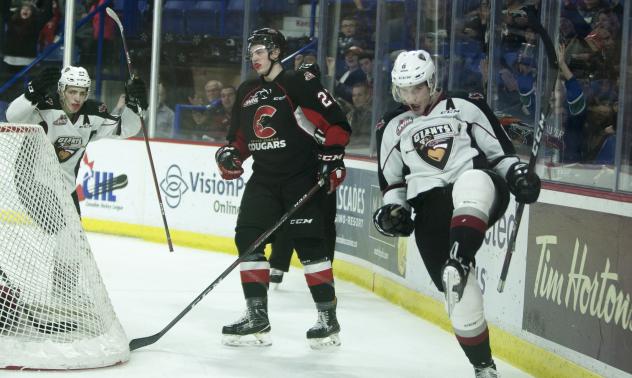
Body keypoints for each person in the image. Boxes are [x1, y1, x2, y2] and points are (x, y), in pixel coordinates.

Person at [372, 50, 540, 378]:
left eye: (416, 88)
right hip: (430, 209)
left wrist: (519, 175)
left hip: (480, 189)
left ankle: (460, 257)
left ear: (431, 82)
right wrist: (392, 211)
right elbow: (392, 183)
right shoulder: (391, 125)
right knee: (459, 295)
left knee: (471, 181)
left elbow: (500, 155)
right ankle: (484, 367)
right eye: (403, 90)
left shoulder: (465, 105)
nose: (410, 97)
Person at [215, 28, 351, 349]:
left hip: (299, 177)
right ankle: (257, 315)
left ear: (276, 52)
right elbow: (239, 138)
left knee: (309, 246)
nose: (255, 58)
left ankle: (327, 319)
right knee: (247, 237)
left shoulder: (298, 83)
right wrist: (232, 154)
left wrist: (332, 155)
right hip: (263, 178)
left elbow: (337, 123)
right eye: (251, 54)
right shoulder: (247, 91)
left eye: (260, 51)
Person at [5, 65, 146, 216]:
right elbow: (12, 117)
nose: (77, 98)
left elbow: (126, 128)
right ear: (61, 90)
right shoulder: (44, 107)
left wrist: (134, 105)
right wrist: (32, 93)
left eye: (82, 93)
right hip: (32, 182)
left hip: (66, 187)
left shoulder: (94, 113)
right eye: (72, 92)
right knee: (59, 228)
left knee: (75, 238)